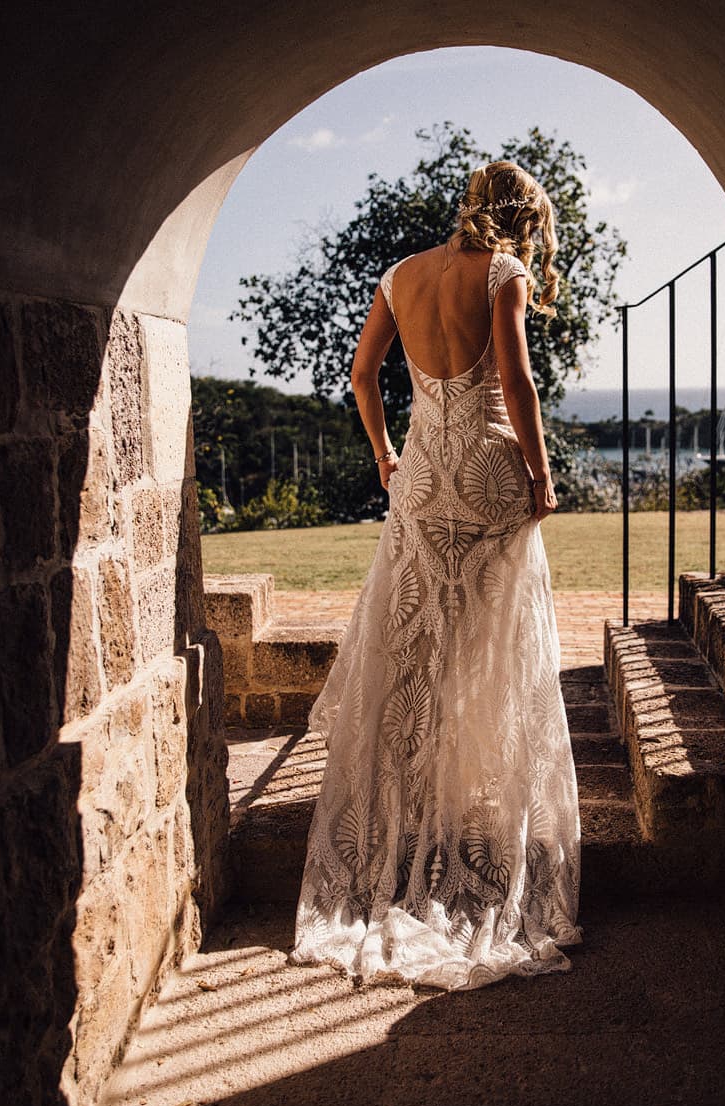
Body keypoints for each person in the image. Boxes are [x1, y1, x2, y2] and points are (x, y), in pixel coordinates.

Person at [288, 161, 582, 991]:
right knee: (494, 659)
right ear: (520, 218)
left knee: (414, 655)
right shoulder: (503, 273)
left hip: (419, 480)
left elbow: (361, 376)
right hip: (490, 477)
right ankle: (482, 839)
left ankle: (400, 835)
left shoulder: (400, 275)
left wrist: (385, 453)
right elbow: (517, 382)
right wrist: (542, 473)